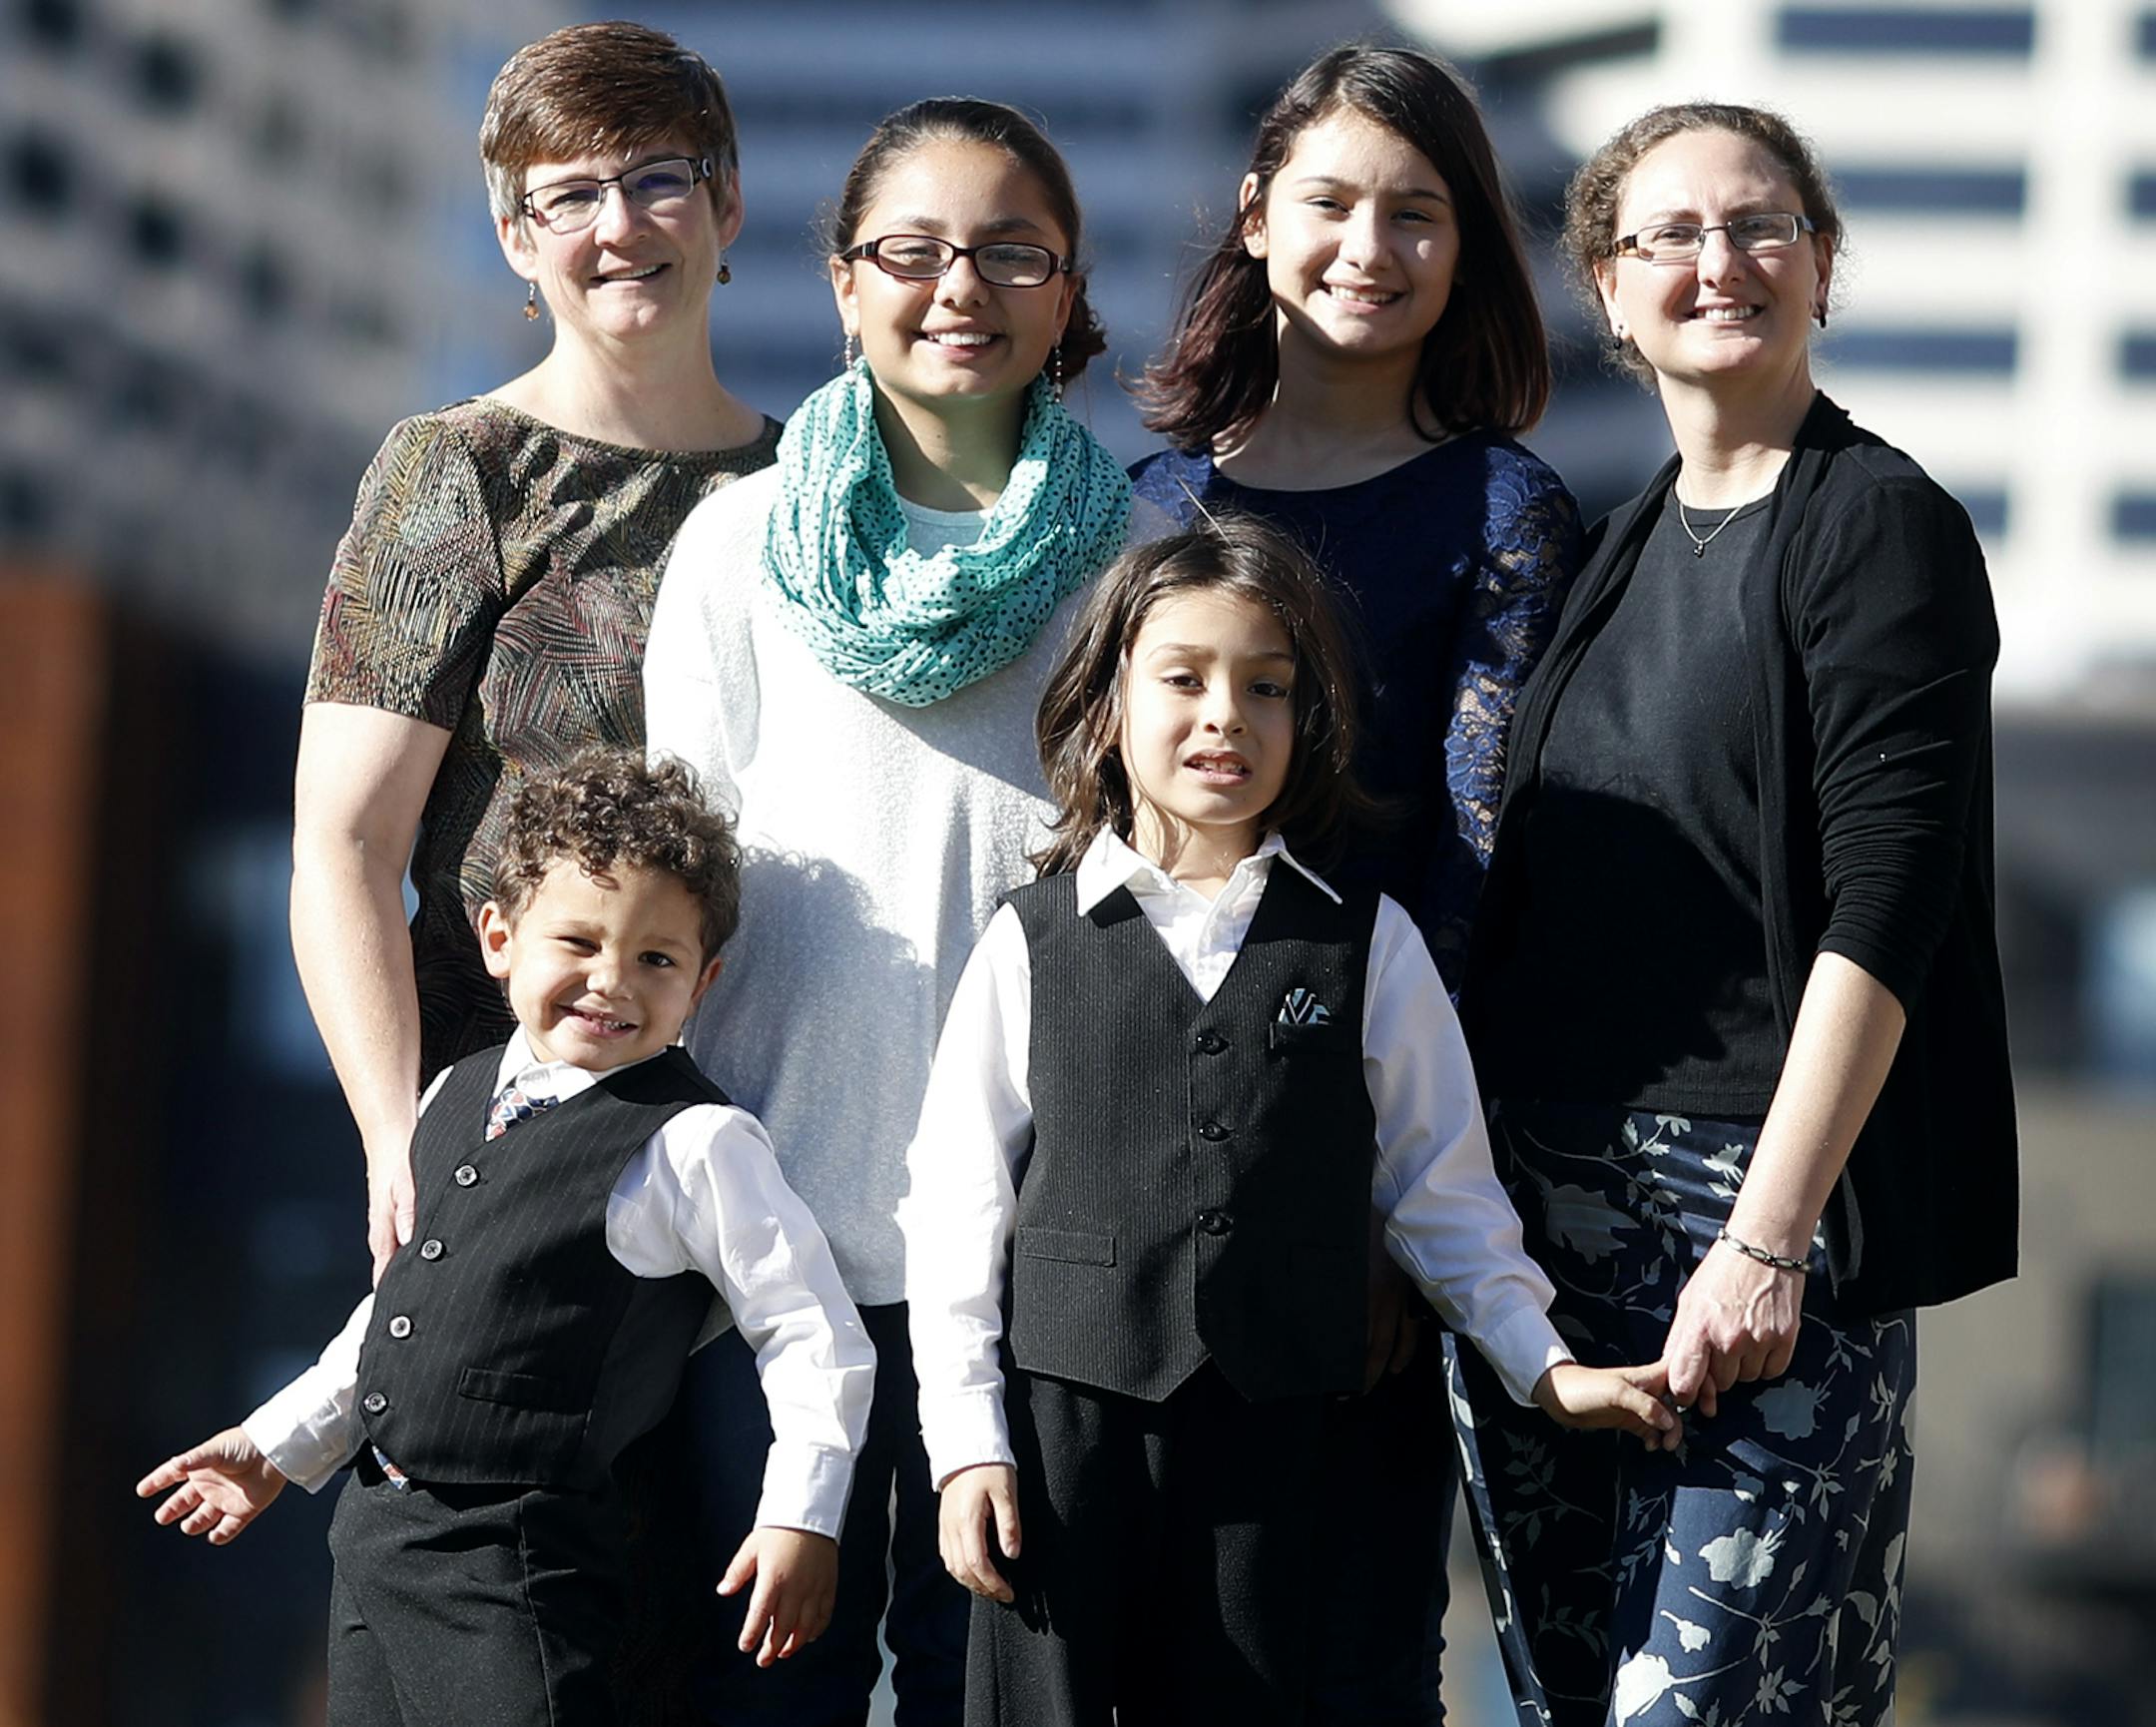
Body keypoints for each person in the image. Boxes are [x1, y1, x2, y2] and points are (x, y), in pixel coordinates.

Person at [899, 517, 1679, 1727]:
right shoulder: (1029, 937)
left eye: (1266, 686)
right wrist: (965, 1442)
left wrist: (1547, 1363)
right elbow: (956, 1209)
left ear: (1307, 720)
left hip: (1283, 1448)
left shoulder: (1373, 943)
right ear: (1110, 700)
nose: (1225, 714)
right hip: (1062, 1446)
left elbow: (1445, 1192)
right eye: (1185, 677)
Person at [1454, 103, 2016, 1726]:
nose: (1722, 262)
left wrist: (1764, 1243)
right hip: (1552, 1251)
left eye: (1762, 223)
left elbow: (1888, 901)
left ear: (1822, 264)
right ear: (1611, 296)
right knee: (1572, 1698)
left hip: (1762, 1244)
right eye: (1671, 237)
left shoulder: (1876, 525)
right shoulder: (1612, 547)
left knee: (1704, 1706)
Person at [644, 99, 1168, 1724]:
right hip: (766, 1250)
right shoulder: (737, 553)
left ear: (1068, 292)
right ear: (847, 280)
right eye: (917, 250)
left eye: (1014, 252)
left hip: (1034, 1261)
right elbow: (674, 894)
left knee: (999, 1698)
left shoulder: (1147, 570)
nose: (964, 287)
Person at [1127, 46, 1581, 1716]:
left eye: (1419, 214)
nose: (1369, 246)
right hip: (1129, 1169)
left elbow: (1472, 875)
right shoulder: (1151, 504)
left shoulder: (1507, 511)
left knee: (1339, 1651)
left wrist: (1396, 1209)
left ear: (1467, 250)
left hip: (1363, 1164)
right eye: (1330, 203)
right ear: (1257, 220)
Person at [138, 752, 875, 1726]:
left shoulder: (696, 1140)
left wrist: (801, 1512)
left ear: (704, 981)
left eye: (656, 958)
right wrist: (277, 1444)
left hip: (516, 1562)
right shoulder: (448, 1096)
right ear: (498, 937)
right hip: (369, 1540)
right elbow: (399, 1320)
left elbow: (811, 1331)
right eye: (577, 939)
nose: (611, 980)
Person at [293, 21, 780, 1289]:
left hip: (762, 1140)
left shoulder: (810, 488)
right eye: (568, 195)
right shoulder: (459, 470)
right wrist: (399, 1137)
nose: (619, 225)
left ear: (725, 202)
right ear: (517, 239)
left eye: (658, 177)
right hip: (505, 1140)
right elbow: (345, 845)